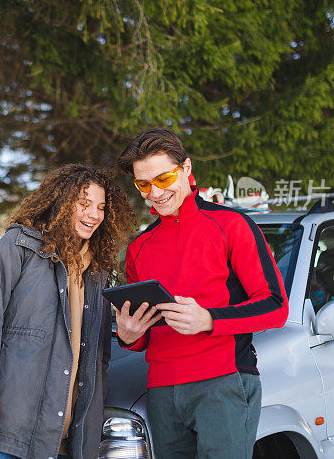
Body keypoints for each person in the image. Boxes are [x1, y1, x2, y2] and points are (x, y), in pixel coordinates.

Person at [114, 128, 289, 459]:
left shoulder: (231, 224)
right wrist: (129, 336)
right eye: (143, 185)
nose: (155, 192)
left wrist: (209, 319)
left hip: (223, 383)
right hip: (161, 392)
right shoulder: (139, 248)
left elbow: (275, 307)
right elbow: (142, 336)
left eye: (164, 178)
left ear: (186, 169)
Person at [0, 164, 135, 459]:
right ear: (60, 203)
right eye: (83, 204)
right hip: (4, 429)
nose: (93, 215)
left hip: (61, 439)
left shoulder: (97, 270)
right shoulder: (19, 246)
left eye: (100, 208)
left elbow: (96, 358)